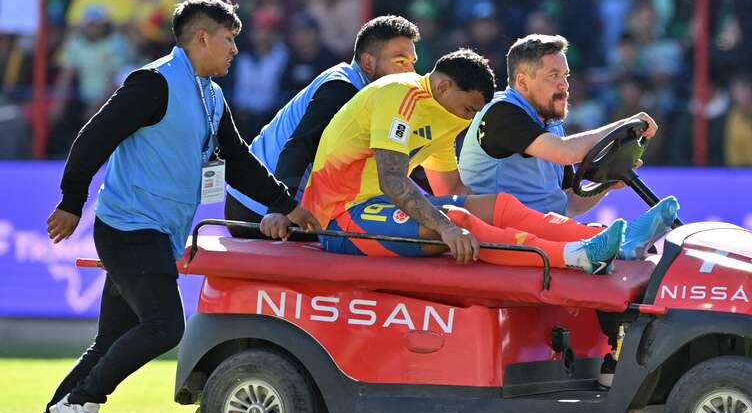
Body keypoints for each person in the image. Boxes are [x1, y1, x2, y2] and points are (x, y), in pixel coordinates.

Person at [13, 0, 319, 413]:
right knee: (164, 326)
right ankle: (82, 403)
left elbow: (236, 162)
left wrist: (288, 205)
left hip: (154, 230)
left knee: (109, 341)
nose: (235, 50)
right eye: (229, 39)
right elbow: (94, 137)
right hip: (130, 227)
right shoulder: (152, 82)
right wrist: (72, 201)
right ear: (202, 38)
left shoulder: (210, 95)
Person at [302, 48, 678, 274]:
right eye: (468, 109)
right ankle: (572, 256)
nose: (469, 121)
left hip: (377, 207)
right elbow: (393, 182)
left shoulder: (445, 115)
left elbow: (450, 191)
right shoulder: (399, 95)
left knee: (494, 205)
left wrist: (489, 214)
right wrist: (449, 228)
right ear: (445, 87)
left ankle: (618, 241)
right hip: (341, 216)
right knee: (459, 220)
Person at [225, 15, 420, 237]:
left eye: (412, 62)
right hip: (259, 210)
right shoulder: (343, 89)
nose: (411, 73)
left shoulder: (370, 93)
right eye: (400, 62)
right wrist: (280, 209)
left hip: (279, 205)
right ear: (368, 62)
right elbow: (298, 146)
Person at [458, 34, 662, 220]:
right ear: (522, 81)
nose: (564, 85)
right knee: (604, 241)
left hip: (537, 231)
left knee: (608, 240)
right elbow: (566, 153)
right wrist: (625, 123)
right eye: (553, 75)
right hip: (497, 234)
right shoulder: (501, 112)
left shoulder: (551, 122)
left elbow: (567, 204)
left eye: (565, 75)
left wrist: (607, 185)